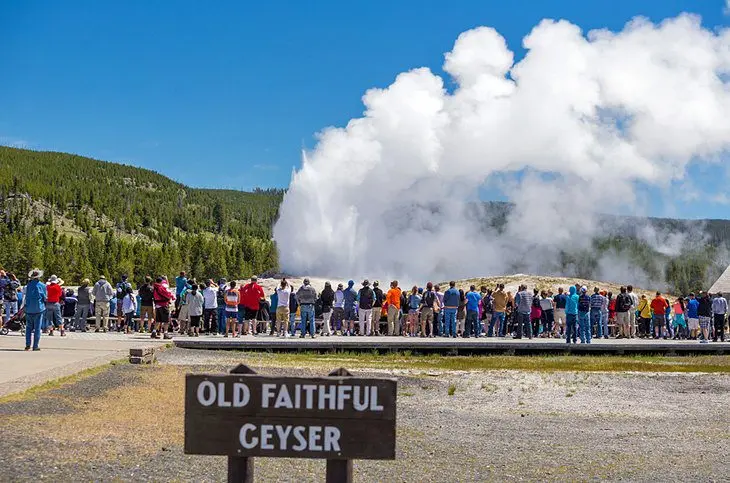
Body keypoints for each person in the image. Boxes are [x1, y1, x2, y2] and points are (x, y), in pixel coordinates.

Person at [22, 269, 46, 351]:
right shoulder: (42, 286)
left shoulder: (28, 286)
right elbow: (45, 297)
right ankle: (35, 346)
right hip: (39, 309)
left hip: (29, 308)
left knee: (28, 328)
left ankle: (27, 344)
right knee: (37, 328)